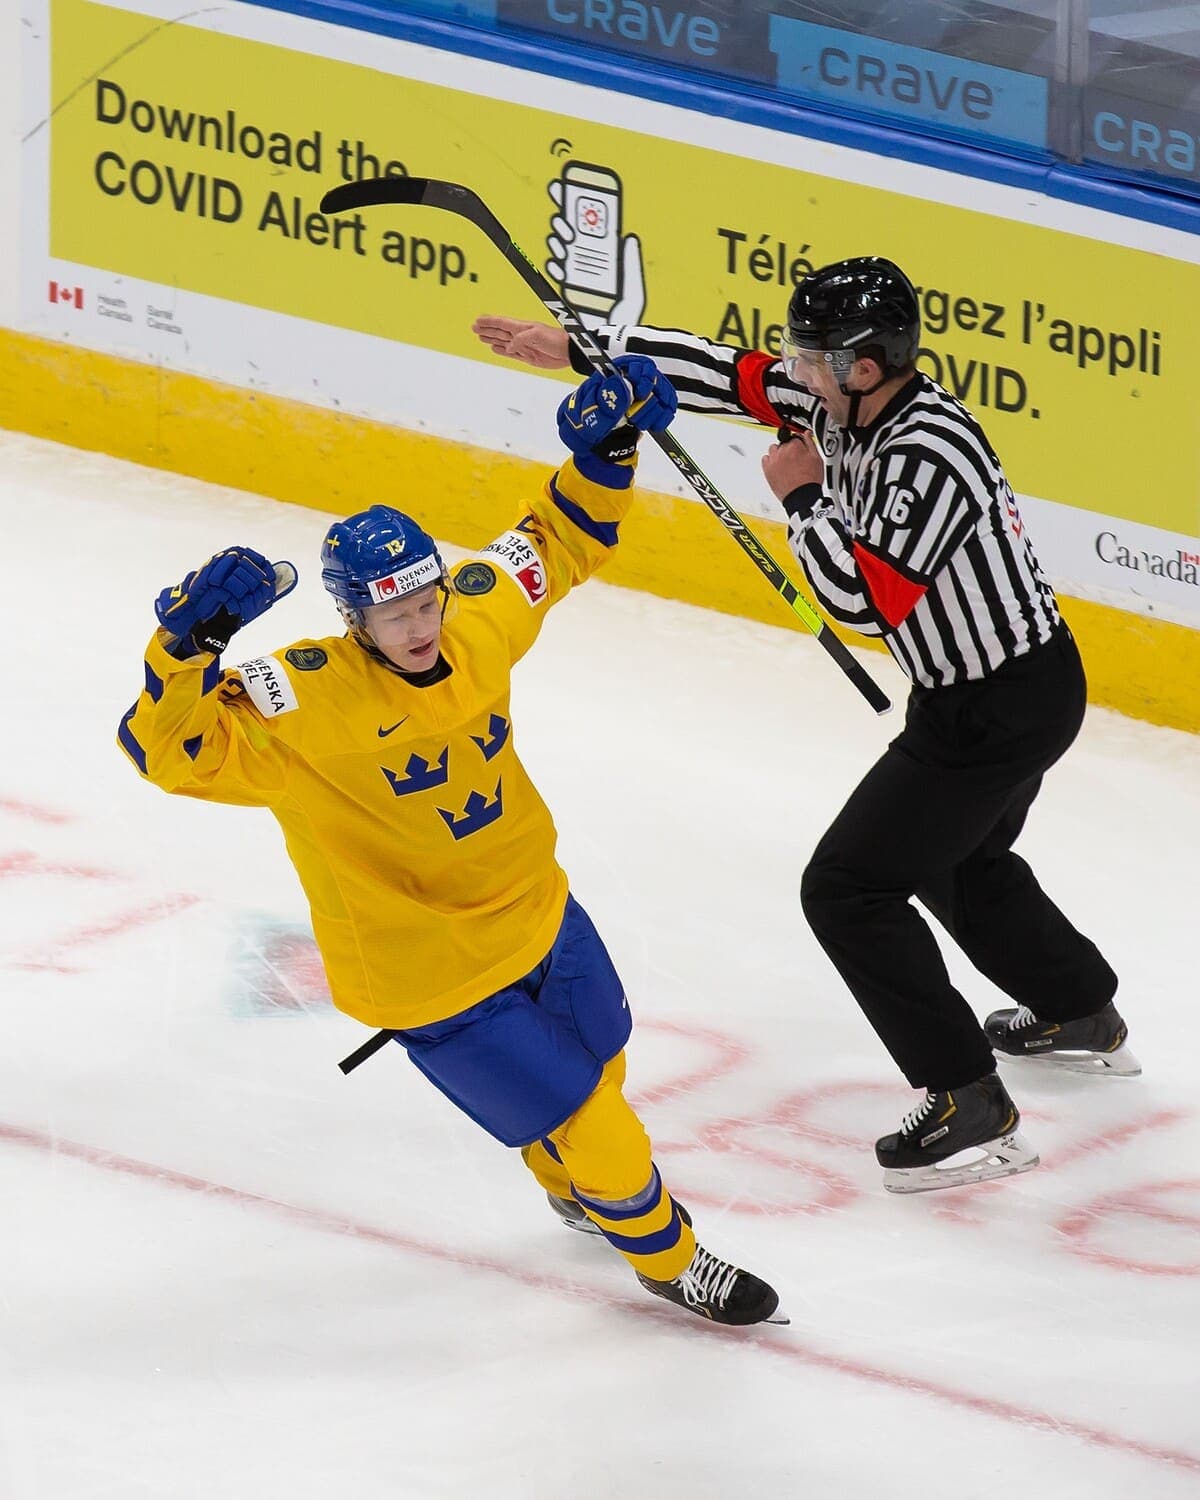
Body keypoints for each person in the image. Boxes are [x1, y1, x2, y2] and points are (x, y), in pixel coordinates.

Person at [118, 355, 784, 1324]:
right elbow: (163, 751)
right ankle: (671, 1258)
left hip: (536, 910)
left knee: (605, 1062)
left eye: (425, 601)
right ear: (354, 618)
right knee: (601, 1124)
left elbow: (558, 539)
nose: (421, 625)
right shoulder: (302, 696)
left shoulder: (473, 616)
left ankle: (579, 1189)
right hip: (429, 972)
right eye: (394, 613)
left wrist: (609, 444)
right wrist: (182, 650)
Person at [474, 260, 1138, 1195]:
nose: (798, 368)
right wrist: (585, 351)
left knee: (848, 889)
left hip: (998, 705)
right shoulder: (842, 399)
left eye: (814, 356)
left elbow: (867, 607)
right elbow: (722, 373)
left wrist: (799, 497)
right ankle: (1078, 1010)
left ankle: (965, 1095)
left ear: (868, 366)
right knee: (957, 858)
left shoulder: (929, 455)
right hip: (982, 690)